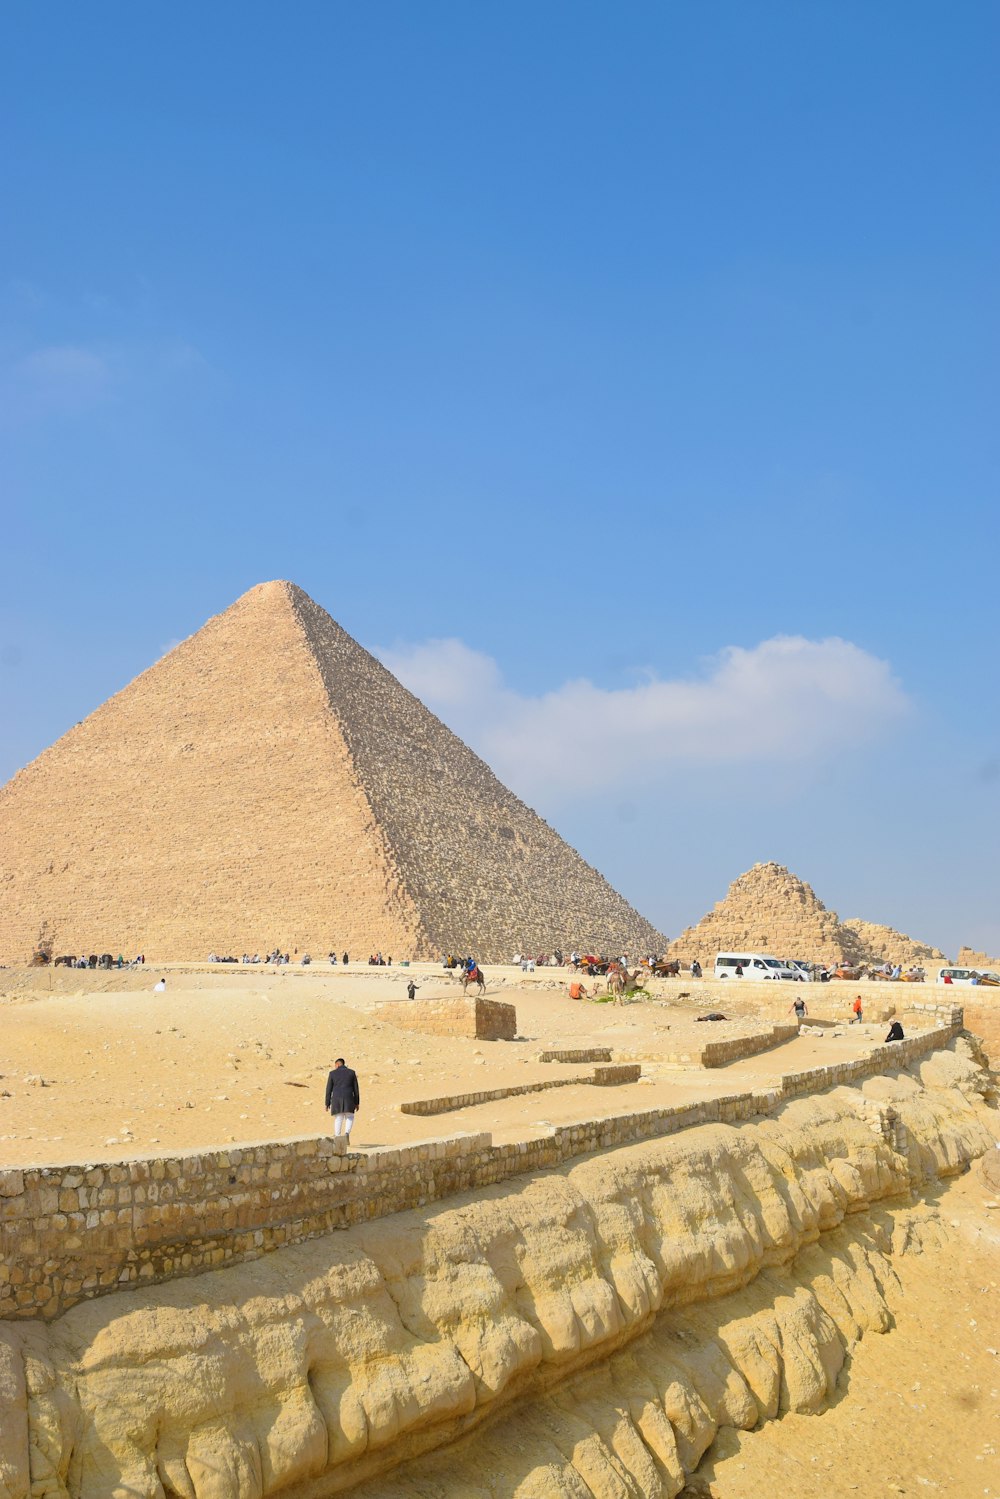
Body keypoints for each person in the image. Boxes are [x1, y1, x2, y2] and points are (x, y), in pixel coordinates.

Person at [325, 1058, 360, 1139]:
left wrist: (327, 1103)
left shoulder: (332, 1073)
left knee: (338, 1118)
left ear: (337, 1064)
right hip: (349, 1097)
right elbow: (356, 1089)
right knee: (350, 1116)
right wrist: (357, 1102)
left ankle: (337, 1136)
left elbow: (328, 1090)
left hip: (336, 1098)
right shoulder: (351, 1072)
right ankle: (347, 1133)